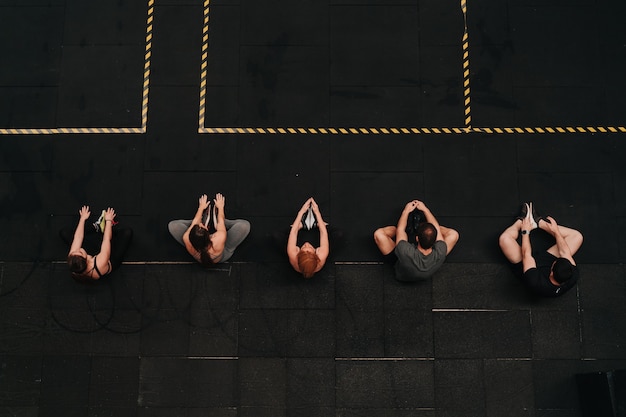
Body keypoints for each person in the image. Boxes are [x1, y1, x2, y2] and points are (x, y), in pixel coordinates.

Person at [499, 202, 583, 297]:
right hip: (546, 260)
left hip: (528, 267)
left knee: (504, 239)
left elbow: (527, 255)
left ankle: (521, 221)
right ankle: (538, 222)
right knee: (577, 237)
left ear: (551, 271)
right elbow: (565, 252)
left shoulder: (535, 282)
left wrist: (525, 231)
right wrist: (555, 232)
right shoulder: (572, 275)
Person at [374, 200, 459, 281]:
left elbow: (401, 230)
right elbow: (436, 228)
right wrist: (425, 210)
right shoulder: (441, 249)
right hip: (425, 269)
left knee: (379, 234)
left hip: (401, 263)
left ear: (417, 238)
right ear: (435, 241)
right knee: (454, 234)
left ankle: (419, 229)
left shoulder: (404, 251)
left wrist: (406, 211)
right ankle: (424, 228)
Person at [168, 193, 250, 265]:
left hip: (199, 256)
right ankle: (220, 222)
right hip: (222, 254)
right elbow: (221, 221)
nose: (199, 224)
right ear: (209, 236)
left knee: (173, 226)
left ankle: (203, 220)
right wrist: (220, 207)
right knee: (244, 226)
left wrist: (201, 208)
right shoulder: (219, 239)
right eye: (202, 226)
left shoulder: (186, 238)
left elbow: (195, 223)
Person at [60, 205, 133, 282]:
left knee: (64, 233)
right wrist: (108, 220)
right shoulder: (100, 263)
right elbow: (106, 239)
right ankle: (106, 228)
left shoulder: (73, 259)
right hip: (109, 259)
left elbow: (78, 237)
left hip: (91, 256)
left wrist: (82, 218)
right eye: (81, 252)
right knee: (127, 233)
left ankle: (96, 227)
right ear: (86, 259)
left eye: (75, 252)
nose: (79, 249)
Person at [274, 197, 339, 278]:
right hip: (320, 252)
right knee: (338, 235)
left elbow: (293, 233)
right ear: (316, 253)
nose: (307, 243)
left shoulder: (293, 254)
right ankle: (316, 224)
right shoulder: (321, 255)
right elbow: (323, 233)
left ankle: (301, 225)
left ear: (298, 254)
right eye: (309, 247)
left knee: (277, 236)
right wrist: (317, 213)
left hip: (294, 251)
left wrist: (301, 212)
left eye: (304, 247)